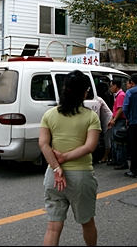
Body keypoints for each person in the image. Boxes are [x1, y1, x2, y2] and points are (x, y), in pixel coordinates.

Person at [39, 70, 101, 246]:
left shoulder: (49, 115)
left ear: (64, 89)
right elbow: (90, 146)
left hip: (53, 177)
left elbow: (43, 144)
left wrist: (57, 167)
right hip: (81, 177)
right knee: (87, 223)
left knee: (53, 227)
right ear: (84, 92)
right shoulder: (90, 116)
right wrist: (65, 157)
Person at [107, 79, 128, 170]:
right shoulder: (118, 95)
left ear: (116, 86)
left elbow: (120, 109)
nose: (110, 88)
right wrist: (112, 119)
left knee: (119, 142)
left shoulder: (121, 95)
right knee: (114, 141)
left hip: (120, 121)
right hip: (117, 120)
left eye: (111, 86)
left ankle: (122, 162)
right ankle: (116, 159)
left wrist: (114, 119)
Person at [95, 82, 113, 163]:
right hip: (105, 119)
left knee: (107, 139)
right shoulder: (101, 97)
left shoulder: (98, 99)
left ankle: (105, 157)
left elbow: (97, 112)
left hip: (107, 119)